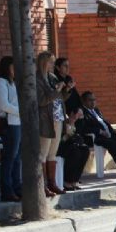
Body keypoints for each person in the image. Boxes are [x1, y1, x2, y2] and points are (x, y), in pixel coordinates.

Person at [36, 51, 71, 196]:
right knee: (43, 153)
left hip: (58, 118)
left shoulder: (52, 77)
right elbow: (42, 101)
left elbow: (59, 98)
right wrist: (56, 90)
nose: (52, 65)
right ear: (43, 62)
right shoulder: (37, 79)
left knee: (52, 153)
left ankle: (52, 183)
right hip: (46, 119)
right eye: (51, 62)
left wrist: (66, 90)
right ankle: (42, 185)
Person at [78, 91, 116, 176]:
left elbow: (103, 122)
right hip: (98, 138)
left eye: (94, 100)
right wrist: (99, 131)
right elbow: (83, 128)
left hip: (110, 134)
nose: (93, 102)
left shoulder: (96, 110)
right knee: (113, 144)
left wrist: (112, 130)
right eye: (90, 100)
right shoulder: (82, 112)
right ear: (84, 101)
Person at [0, 56, 22, 201]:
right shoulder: (0, 82)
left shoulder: (14, 83)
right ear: (7, 67)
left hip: (17, 123)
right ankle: (7, 189)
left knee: (17, 159)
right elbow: (4, 105)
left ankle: (17, 187)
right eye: (13, 67)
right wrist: (21, 111)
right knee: (9, 157)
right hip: (9, 124)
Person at [58, 109, 90, 191]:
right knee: (75, 152)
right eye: (78, 115)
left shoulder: (79, 122)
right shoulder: (63, 120)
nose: (79, 117)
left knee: (85, 150)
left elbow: (79, 134)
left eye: (81, 116)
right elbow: (63, 138)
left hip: (71, 145)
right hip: (60, 146)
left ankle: (75, 179)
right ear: (72, 113)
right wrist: (71, 124)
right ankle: (67, 180)